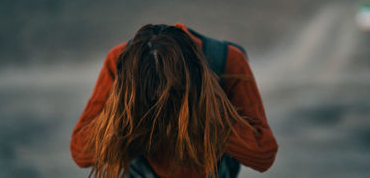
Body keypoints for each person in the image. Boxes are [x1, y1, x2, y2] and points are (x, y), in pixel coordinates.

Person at [70, 22, 278, 178]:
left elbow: (263, 153)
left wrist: (206, 108)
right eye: (152, 100)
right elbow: (80, 151)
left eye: (171, 95)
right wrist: (123, 112)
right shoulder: (119, 61)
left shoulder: (228, 61)